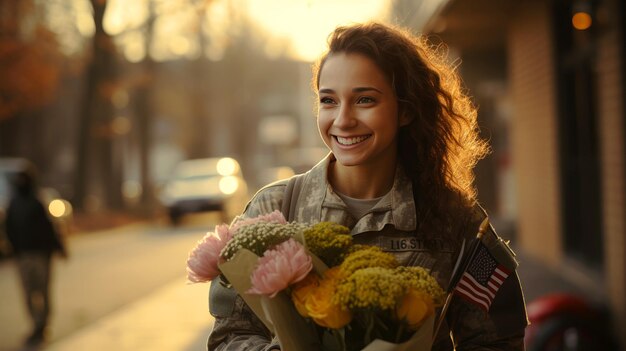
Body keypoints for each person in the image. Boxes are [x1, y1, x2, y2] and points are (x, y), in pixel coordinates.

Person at [207, 22, 528, 350]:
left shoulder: (456, 220)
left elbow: (498, 342)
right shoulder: (274, 210)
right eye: (329, 101)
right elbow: (228, 337)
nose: (343, 120)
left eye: (365, 100)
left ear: (405, 110)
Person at [5, 170, 67, 346]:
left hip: (41, 255)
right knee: (28, 293)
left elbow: (49, 228)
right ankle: (36, 324)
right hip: (23, 255)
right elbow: (9, 228)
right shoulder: (14, 204)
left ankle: (42, 325)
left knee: (42, 290)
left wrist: (59, 247)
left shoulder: (37, 202)